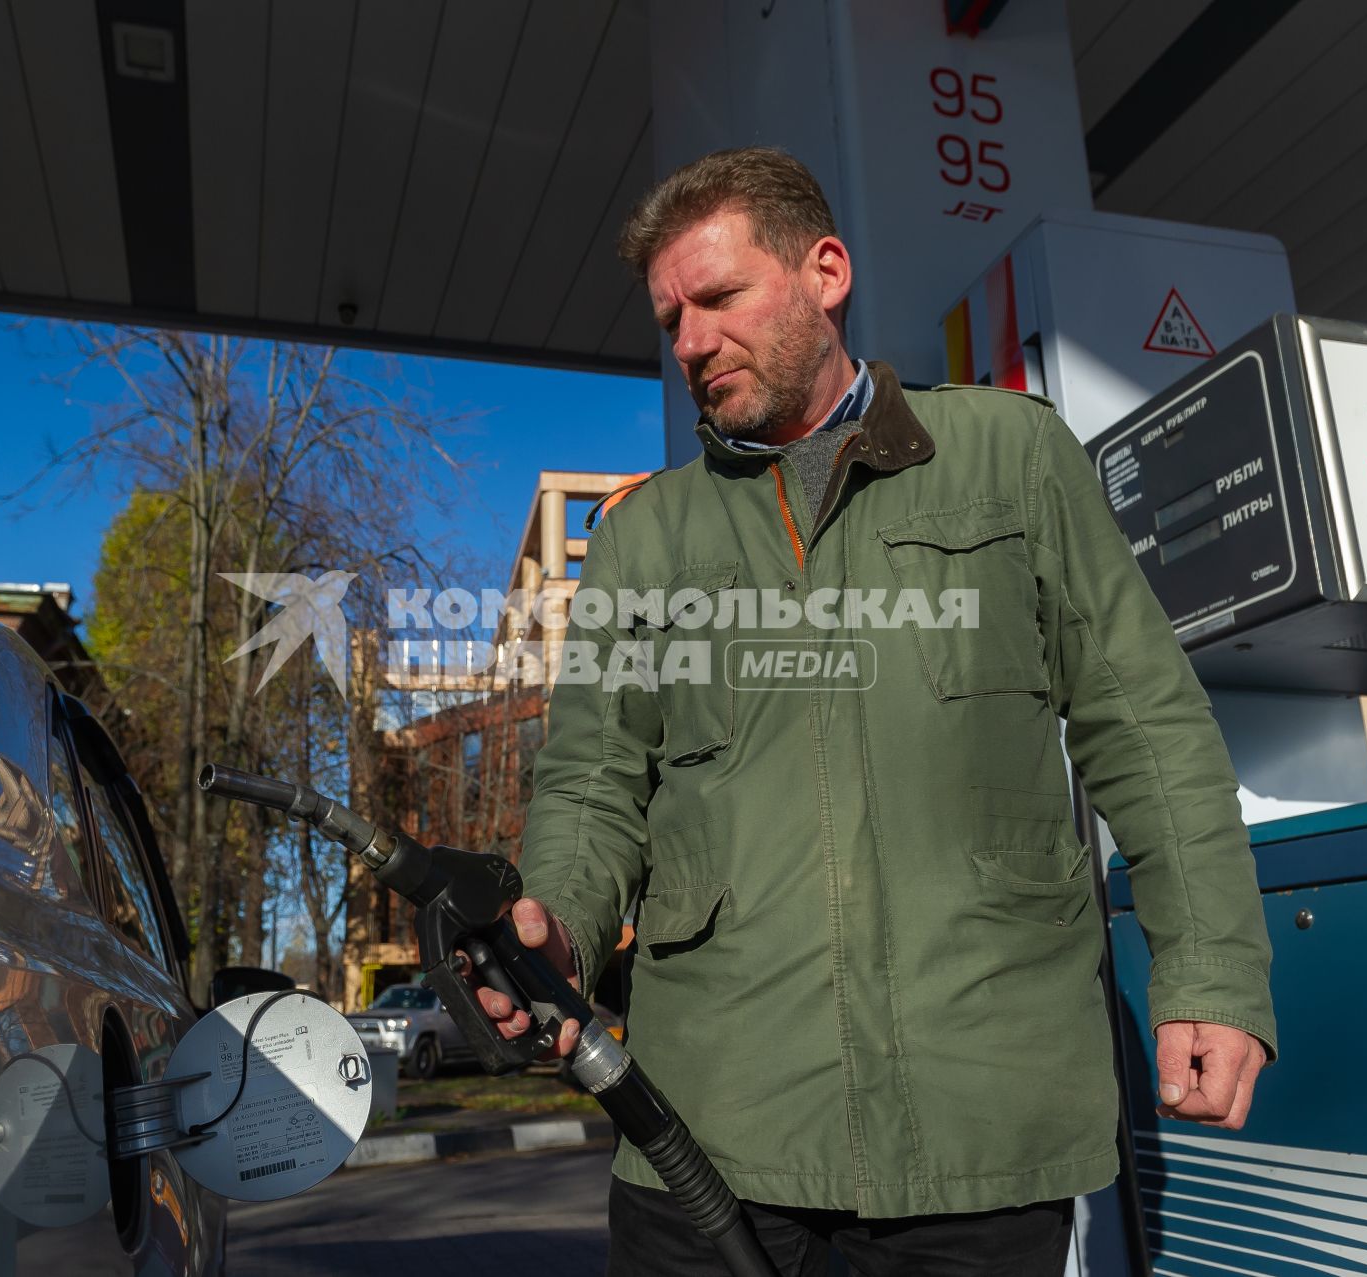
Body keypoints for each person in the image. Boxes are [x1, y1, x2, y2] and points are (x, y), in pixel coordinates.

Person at [475, 147, 1276, 1275]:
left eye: (719, 297)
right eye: (671, 321)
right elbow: (595, 780)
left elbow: (1147, 726)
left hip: (977, 1130)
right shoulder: (643, 539)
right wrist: (553, 921)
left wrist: (1212, 972)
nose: (693, 341)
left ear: (826, 271)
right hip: (703, 1138)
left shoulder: (1012, 455)